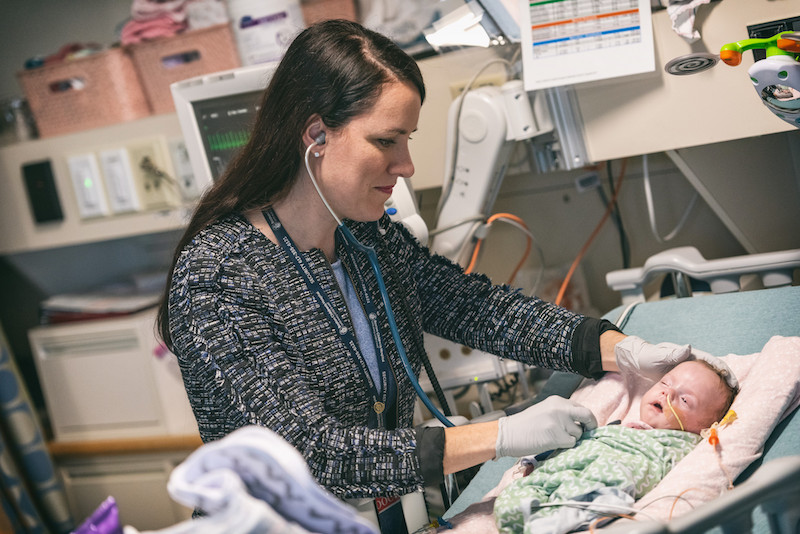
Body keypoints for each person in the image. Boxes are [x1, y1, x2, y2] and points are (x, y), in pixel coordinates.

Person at [155, 18, 735, 529]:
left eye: (406, 140)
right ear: (315, 136)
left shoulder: (364, 235)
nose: (405, 166)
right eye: (386, 141)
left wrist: (618, 349)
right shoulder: (219, 276)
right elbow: (317, 454)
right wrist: (500, 435)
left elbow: (475, 308)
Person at [493, 360, 738, 534]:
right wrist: (534, 461)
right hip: (559, 471)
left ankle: (575, 513)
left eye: (685, 400)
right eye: (665, 382)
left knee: (612, 472)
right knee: (507, 505)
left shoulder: (681, 443)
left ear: (704, 426)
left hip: (604, 478)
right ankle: (540, 521)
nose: (668, 394)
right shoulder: (619, 425)